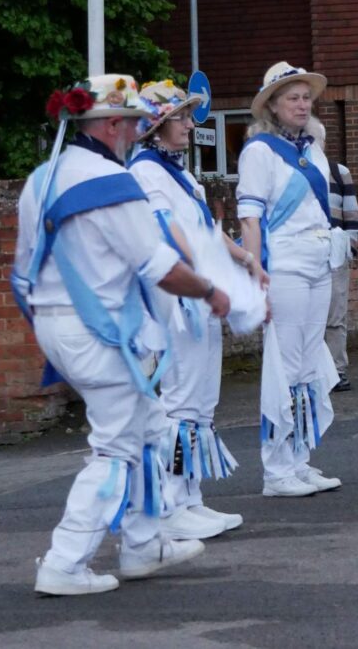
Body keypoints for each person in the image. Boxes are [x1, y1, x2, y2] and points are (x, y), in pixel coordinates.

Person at [13, 74, 231, 595]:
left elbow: (22, 272)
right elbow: (161, 267)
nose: (138, 129)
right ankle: (65, 562)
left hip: (59, 327)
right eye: (132, 121)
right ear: (110, 125)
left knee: (153, 427)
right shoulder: (114, 184)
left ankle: (144, 543)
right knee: (114, 447)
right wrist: (210, 291)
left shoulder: (41, 179)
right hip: (104, 332)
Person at [130, 80, 267, 539]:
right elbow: (168, 234)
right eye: (182, 117)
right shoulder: (145, 173)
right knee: (179, 398)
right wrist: (207, 279)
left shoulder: (182, 174)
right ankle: (168, 506)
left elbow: (207, 231)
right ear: (157, 126)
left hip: (201, 290)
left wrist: (246, 261)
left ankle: (190, 497)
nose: (191, 124)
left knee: (201, 399)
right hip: (177, 298)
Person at [237, 62, 344, 497]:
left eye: (305, 98)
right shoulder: (259, 151)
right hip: (284, 262)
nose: (302, 105)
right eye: (292, 98)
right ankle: (276, 470)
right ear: (273, 106)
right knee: (283, 364)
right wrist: (254, 266)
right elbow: (250, 216)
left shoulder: (314, 148)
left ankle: (298, 459)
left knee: (306, 363)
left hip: (318, 259)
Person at [324, 133, 358, 392]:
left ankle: (337, 370)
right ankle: (315, 372)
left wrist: (349, 246)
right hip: (304, 252)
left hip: (335, 251)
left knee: (336, 315)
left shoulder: (339, 172)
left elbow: (351, 213)